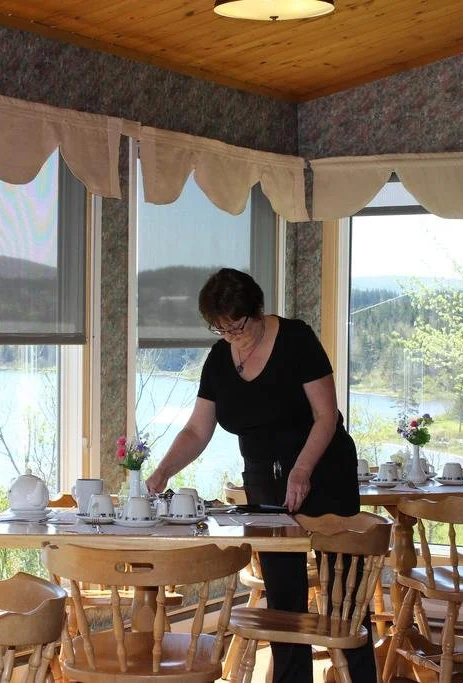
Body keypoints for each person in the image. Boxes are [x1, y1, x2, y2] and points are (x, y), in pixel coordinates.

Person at [145, 267, 374, 683]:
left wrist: (302, 469)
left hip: (323, 472)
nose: (233, 336)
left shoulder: (297, 339)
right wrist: (163, 470)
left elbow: (326, 415)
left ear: (258, 310)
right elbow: (197, 430)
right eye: (221, 329)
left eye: (238, 326)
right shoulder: (220, 359)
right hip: (264, 485)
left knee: (346, 599)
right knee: (284, 601)